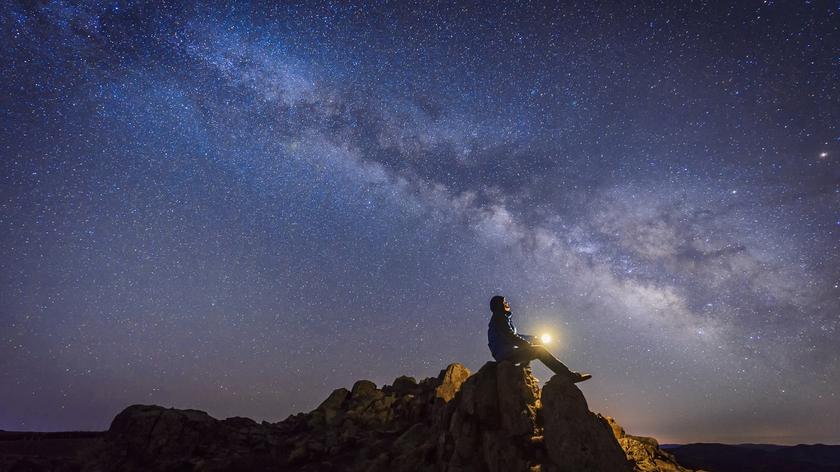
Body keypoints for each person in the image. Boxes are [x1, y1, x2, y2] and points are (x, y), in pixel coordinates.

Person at [487, 295, 591, 383]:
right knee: (539, 351)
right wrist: (527, 344)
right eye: (504, 302)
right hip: (506, 354)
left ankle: (525, 371)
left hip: (504, 353)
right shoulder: (499, 317)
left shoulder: (499, 318)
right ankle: (568, 376)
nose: (507, 304)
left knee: (531, 348)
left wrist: (532, 339)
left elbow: (513, 335)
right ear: (499, 305)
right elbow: (510, 336)